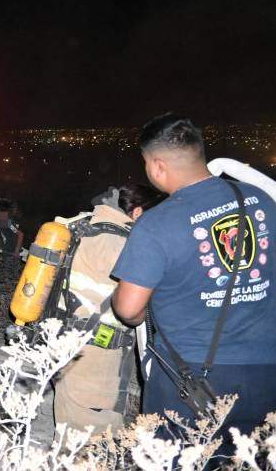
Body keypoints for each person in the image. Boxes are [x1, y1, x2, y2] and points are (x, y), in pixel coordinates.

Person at [112, 114, 276, 455]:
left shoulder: (156, 223)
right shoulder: (261, 200)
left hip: (191, 380)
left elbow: (128, 309)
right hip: (267, 370)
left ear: (157, 166)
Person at [52, 183, 165, 435]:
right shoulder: (119, 242)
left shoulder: (84, 227)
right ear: (137, 212)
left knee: (71, 422)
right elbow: (137, 304)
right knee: (96, 430)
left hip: (65, 339)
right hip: (96, 354)